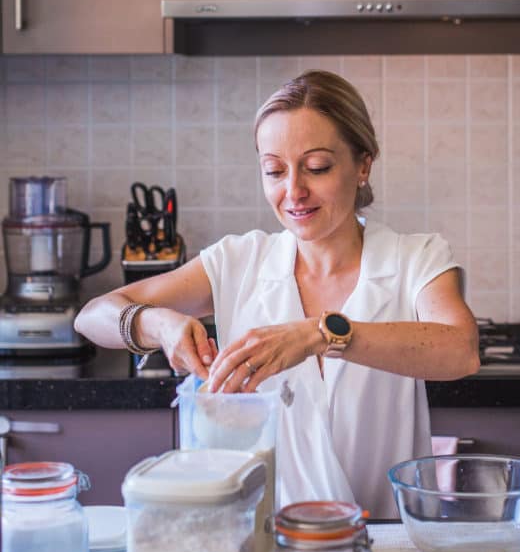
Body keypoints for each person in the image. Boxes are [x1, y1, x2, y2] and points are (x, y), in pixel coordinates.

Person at [75, 70, 480, 516]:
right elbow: (93, 315)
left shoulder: (416, 258)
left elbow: (460, 350)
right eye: (274, 170)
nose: (293, 191)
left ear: (363, 164)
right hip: (264, 546)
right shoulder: (239, 262)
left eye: (317, 167)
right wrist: (158, 324)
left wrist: (320, 334)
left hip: (386, 546)